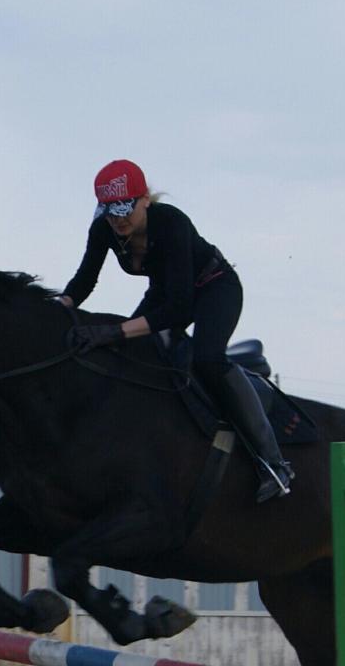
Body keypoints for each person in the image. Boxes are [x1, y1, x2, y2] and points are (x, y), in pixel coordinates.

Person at [61, 158, 294, 503]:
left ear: (145, 200)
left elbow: (178, 309)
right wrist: (57, 308)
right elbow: (84, 280)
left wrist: (114, 331)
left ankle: (274, 464)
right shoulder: (103, 229)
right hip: (167, 292)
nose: (117, 220)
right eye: (110, 212)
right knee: (128, 355)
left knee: (206, 359)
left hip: (214, 287)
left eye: (124, 210)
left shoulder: (171, 222)